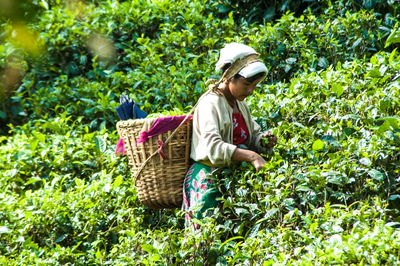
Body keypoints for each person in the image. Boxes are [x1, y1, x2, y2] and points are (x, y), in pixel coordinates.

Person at [182, 43, 277, 229]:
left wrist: (263, 140)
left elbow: (252, 135)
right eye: (247, 84)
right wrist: (252, 156)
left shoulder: (240, 104)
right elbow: (213, 147)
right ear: (229, 77)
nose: (250, 91)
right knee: (205, 239)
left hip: (231, 180)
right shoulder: (211, 103)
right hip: (207, 181)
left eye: (254, 86)